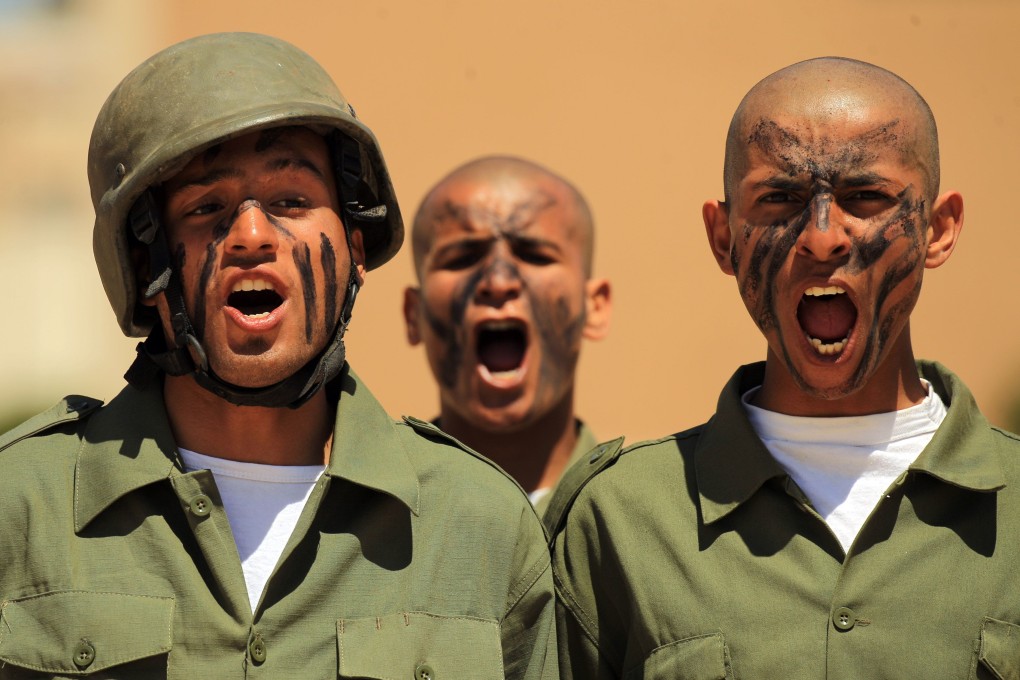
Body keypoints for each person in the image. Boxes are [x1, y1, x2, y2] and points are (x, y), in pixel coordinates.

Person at [0, 33, 556, 678]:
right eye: (207, 207)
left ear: (354, 247)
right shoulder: (21, 507)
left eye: (291, 200)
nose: (251, 235)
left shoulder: (480, 527)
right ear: (144, 266)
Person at [548, 57, 1018, 679]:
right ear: (723, 236)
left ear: (938, 228)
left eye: (866, 197)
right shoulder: (620, 520)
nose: (822, 237)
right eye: (779, 198)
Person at [403, 156, 611, 514]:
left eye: (536, 255)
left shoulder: (640, 520)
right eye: (461, 258)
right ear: (413, 314)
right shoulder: (366, 524)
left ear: (594, 307)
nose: (498, 282)